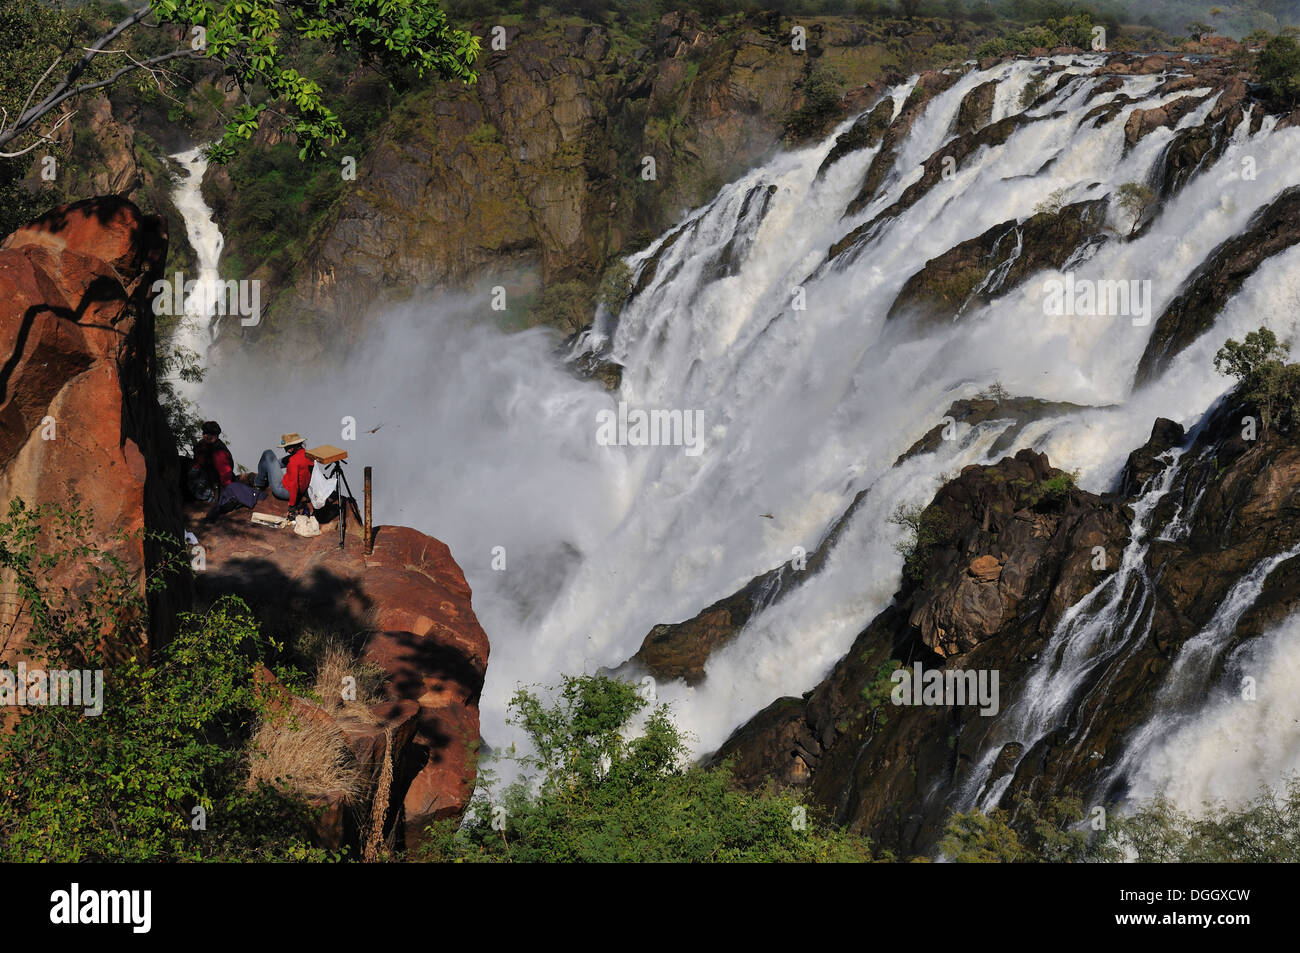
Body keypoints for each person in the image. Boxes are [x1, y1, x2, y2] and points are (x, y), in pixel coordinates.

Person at [256, 432, 314, 515]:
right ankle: (269, 470)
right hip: (301, 489)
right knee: (279, 462)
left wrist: (292, 506)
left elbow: (294, 485)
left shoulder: (294, 461)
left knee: (268, 453)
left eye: (286, 448)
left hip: (282, 489)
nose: (286, 450)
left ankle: (259, 483)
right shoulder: (308, 455)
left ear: (291, 448)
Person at [188, 420, 233, 503]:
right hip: (205, 472)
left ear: (216, 435)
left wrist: (226, 490)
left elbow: (225, 473)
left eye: (210, 434)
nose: (207, 436)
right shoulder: (202, 444)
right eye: (205, 433)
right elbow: (198, 460)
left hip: (215, 480)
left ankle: (210, 497)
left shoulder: (219, 452)